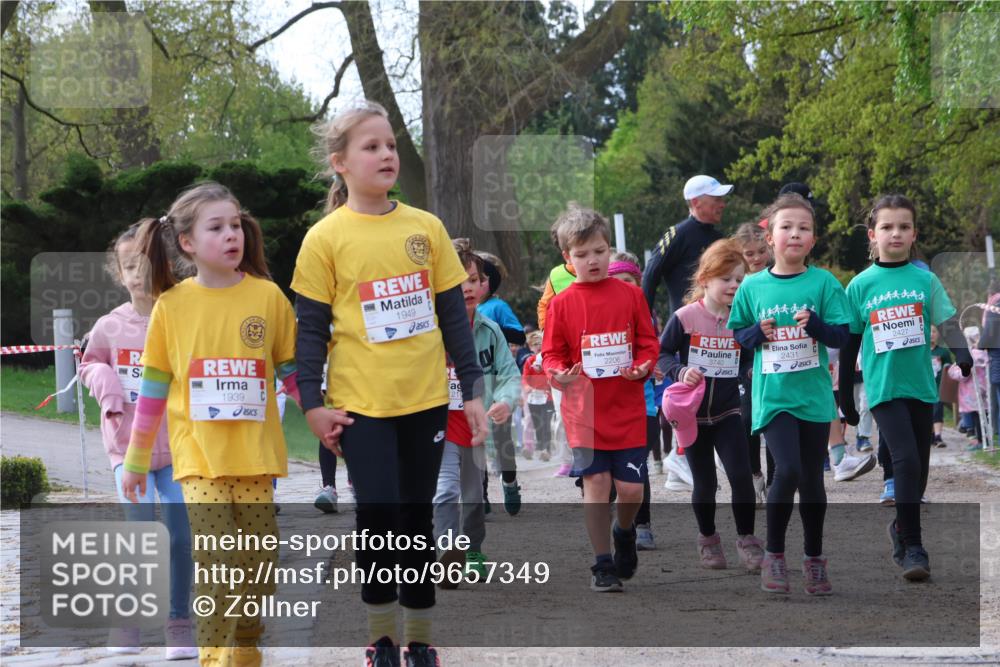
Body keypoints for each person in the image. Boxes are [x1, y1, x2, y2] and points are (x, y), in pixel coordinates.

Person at [291, 101, 487, 667]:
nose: (386, 155)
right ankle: (380, 641)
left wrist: (473, 389)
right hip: (361, 408)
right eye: (371, 146)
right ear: (341, 163)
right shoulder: (324, 239)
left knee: (416, 519)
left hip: (426, 402)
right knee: (377, 518)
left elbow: (454, 319)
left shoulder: (426, 228)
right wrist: (313, 406)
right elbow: (310, 332)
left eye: (392, 145)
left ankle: (420, 641)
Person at [119, 183, 302, 666]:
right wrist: (135, 462)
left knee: (259, 567)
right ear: (187, 243)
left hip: (257, 462)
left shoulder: (268, 297)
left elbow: (291, 372)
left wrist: (321, 415)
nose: (231, 235)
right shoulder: (172, 306)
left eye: (235, 225)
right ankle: (216, 659)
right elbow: (152, 393)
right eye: (216, 227)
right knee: (219, 564)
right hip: (199, 462)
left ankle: (246, 643)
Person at [79, 223, 196, 660]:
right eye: (129, 266)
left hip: (179, 448)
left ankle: (178, 622)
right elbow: (89, 364)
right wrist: (106, 384)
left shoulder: (183, 316)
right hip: (128, 451)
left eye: (146, 264)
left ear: (165, 264)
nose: (138, 274)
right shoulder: (109, 326)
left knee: (180, 537)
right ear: (119, 273)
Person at [839, 193, 972, 582]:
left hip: (921, 387)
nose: (895, 233)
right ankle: (914, 547)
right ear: (873, 235)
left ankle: (900, 525)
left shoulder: (925, 280)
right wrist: (845, 396)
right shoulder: (860, 286)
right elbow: (848, 344)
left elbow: (947, 321)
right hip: (884, 389)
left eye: (903, 226)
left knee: (919, 470)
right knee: (906, 462)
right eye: (887, 227)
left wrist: (962, 354)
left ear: (914, 234)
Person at [728, 193, 851, 596]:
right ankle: (775, 555)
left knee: (813, 479)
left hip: (813, 397)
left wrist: (816, 326)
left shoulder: (824, 282)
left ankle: (814, 559)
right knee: (789, 469)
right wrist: (755, 333)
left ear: (813, 239)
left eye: (804, 228)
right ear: (770, 237)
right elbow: (738, 336)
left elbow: (842, 335)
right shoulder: (753, 286)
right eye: (787, 227)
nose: (795, 234)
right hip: (774, 397)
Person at [542, 204, 658, 592]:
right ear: (567, 258)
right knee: (596, 484)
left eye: (599, 251)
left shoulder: (631, 295)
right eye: (582, 254)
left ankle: (623, 531)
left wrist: (643, 365)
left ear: (610, 249)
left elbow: (648, 342)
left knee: (631, 490)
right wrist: (559, 373)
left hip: (626, 409)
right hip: (585, 412)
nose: (592, 260)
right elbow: (551, 353)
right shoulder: (561, 304)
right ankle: (602, 563)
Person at [658, 239, 765, 571]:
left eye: (739, 280)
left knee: (741, 476)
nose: (734, 286)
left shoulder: (741, 320)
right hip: (692, 415)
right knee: (705, 484)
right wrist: (680, 371)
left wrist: (751, 368)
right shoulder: (685, 317)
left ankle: (747, 540)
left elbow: (747, 357)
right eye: (726, 279)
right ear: (705, 279)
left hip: (728, 411)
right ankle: (708, 540)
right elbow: (663, 353)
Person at [434, 241, 520, 587]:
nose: (466, 288)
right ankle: (446, 552)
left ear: (482, 284)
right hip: (438, 423)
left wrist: (505, 401)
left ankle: (472, 551)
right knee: (444, 489)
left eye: (472, 280)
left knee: (473, 496)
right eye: (457, 281)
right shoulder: (429, 330)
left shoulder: (490, 330)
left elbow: (509, 374)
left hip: (475, 426)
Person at [607, 250, 660, 551]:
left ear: (638, 284)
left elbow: (653, 350)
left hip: (643, 406)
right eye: (616, 280)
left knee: (636, 467)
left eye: (628, 280)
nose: (622, 285)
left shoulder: (644, 315)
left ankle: (643, 525)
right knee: (607, 474)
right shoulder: (596, 313)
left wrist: (645, 365)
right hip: (605, 407)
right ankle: (615, 520)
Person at [475, 251, 522, 515]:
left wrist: (494, 330)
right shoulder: (450, 315)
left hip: (496, 390)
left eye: (479, 279)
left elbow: (520, 335)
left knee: (503, 445)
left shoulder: (497, 308)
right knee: (475, 445)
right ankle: (480, 495)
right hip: (470, 393)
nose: (472, 286)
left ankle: (510, 483)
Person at [732, 221, 772, 504]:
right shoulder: (737, 285)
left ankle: (775, 480)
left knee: (773, 420)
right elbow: (736, 330)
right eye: (749, 254)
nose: (756, 258)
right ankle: (754, 473)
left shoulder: (778, 278)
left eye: (761, 251)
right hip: (744, 362)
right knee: (747, 420)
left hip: (776, 359)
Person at [522, 331, 553, 461]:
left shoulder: (548, 360)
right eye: (534, 344)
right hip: (533, 398)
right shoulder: (529, 361)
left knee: (546, 423)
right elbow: (524, 378)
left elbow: (552, 375)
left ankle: (546, 449)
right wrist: (526, 387)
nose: (538, 346)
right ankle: (541, 447)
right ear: (530, 347)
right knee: (537, 424)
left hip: (548, 397)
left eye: (540, 343)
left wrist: (550, 385)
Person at [929, 324, 954, 447]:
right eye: (929, 331)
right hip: (925, 388)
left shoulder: (943, 352)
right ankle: (931, 436)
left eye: (934, 331)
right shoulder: (920, 352)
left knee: (937, 411)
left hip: (939, 387)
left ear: (938, 334)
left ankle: (938, 436)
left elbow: (950, 370)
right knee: (927, 413)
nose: (931, 334)